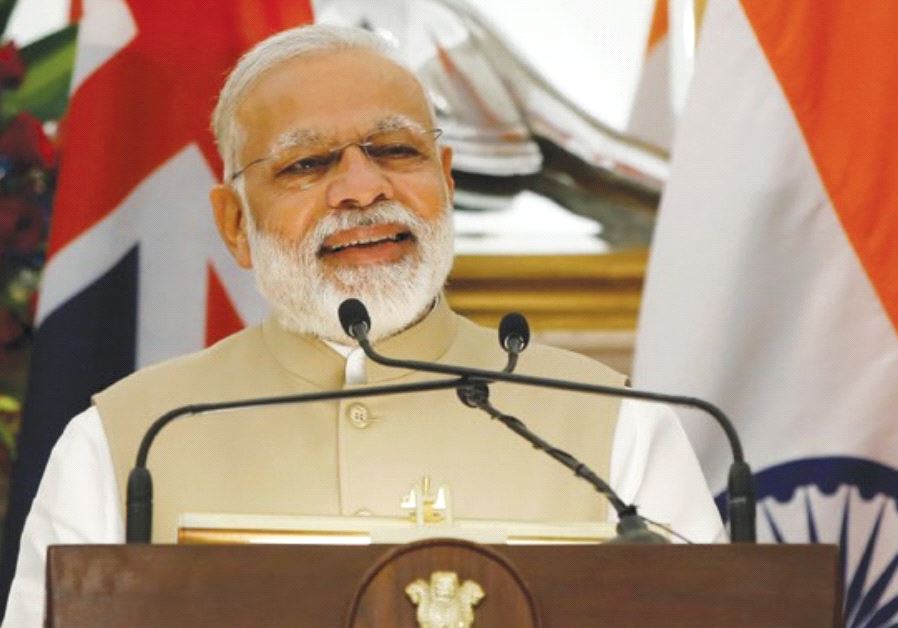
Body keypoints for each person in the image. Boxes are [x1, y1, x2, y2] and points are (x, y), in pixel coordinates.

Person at [3, 24, 723, 626]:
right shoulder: (126, 440)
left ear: (446, 178)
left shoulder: (615, 426)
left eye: (396, 151)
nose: (362, 188)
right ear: (235, 224)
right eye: (308, 164)